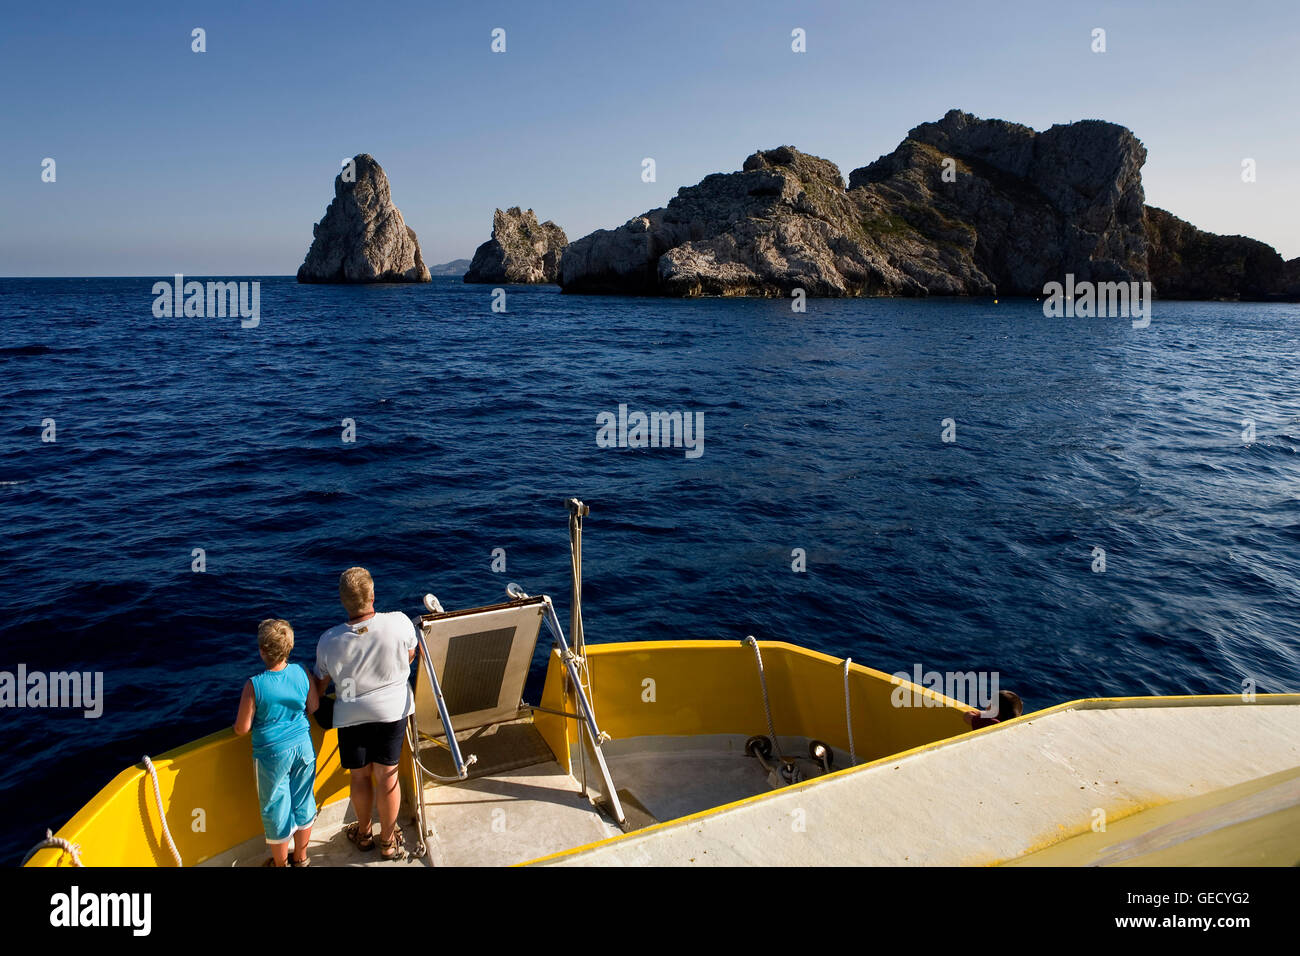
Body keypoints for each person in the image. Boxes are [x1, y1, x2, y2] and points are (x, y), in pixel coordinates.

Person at [314, 567, 417, 861]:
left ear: (343, 600)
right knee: (387, 776)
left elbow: (320, 684)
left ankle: (363, 834)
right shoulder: (399, 622)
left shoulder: (329, 640)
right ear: (372, 595)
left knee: (359, 777)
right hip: (392, 710)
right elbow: (411, 653)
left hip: (350, 715)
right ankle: (387, 841)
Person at [234, 618, 319, 867]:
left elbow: (242, 728)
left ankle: (281, 864)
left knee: (276, 809)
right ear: (289, 647)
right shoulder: (301, 672)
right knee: (304, 801)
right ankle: (301, 857)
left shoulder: (254, 685)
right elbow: (313, 706)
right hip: (303, 747)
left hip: (272, 756)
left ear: (262, 651)